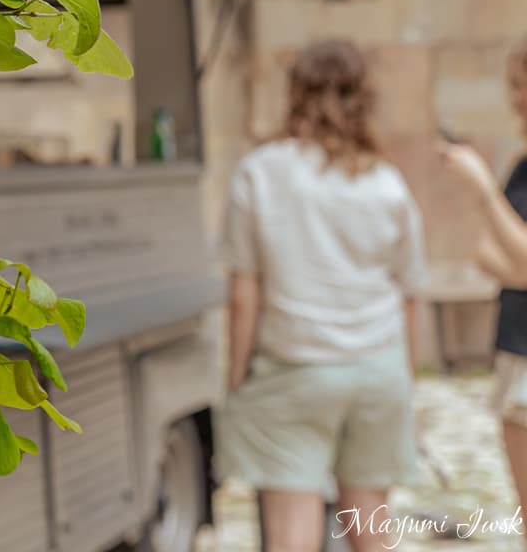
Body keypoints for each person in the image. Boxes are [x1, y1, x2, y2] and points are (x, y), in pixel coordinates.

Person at [217, 39, 426, 552]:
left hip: (294, 368)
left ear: (295, 94)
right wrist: (404, 378)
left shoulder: (260, 172)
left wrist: (237, 376)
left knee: (293, 530)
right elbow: (408, 293)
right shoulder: (387, 183)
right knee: (370, 527)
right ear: (364, 98)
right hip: (377, 368)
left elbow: (244, 294)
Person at [438, 39, 527, 526]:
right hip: (515, 345)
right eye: (512, 85)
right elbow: (487, 253)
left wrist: (483, 188)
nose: (515, 98)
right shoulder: (522, 164)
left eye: (522, 85)